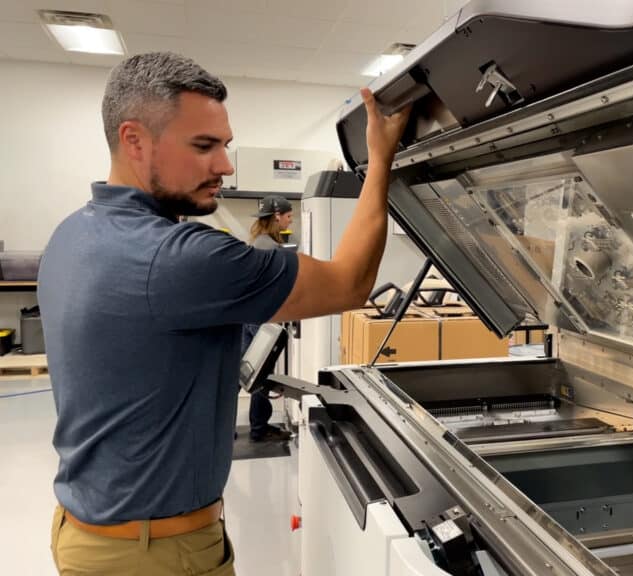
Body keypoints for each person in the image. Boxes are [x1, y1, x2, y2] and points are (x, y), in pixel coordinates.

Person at [38, 52, 409, 575]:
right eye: (204, 146)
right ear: (134, 140)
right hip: (155, 554)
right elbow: (350, 283)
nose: (226, 165)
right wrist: (380, 161)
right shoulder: (181, 258)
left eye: (225, 145)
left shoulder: (72, 233)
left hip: (86, 532)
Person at [241, 195, 295, 443]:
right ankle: (259, 429)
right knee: (261, 376)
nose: (290, 219)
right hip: (260, 319)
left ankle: (227, 429)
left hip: (248, 316)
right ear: (276, 216)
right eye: (288, 215)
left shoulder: (257, 242)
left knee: (243, 373)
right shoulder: (271, 249)